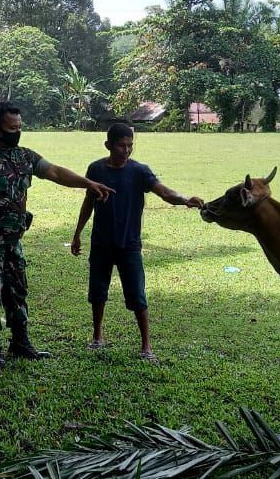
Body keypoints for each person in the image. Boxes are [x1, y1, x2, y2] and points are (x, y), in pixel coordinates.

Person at [0, 101, 114, 367]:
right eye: (11, 127)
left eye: (19, 127)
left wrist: (86, 183)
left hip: (14, 239)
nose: (16, 131)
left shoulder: (24, 156)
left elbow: (54, 172)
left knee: (18, 290)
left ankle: (20, 342)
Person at [70, 122, 204, 362]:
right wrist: (77, 233)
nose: (127, 150)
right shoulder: (96, 169)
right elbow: (88, 202)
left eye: (130, 145)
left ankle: (146, 346)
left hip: (129, 244)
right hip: (101, 242)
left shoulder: (140, 171)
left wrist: (185, 199)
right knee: (97, 292)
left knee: (137, 295)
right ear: (108, 145)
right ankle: (97, 336)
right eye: (122, 145)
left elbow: (164, 192)